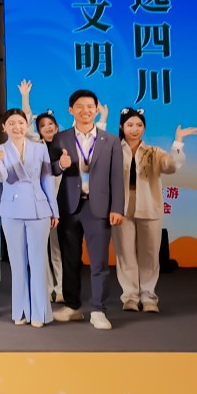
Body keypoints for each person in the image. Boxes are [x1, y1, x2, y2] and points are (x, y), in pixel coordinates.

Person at [51, 88, 125, 330]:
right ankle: (72, 306)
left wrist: (117, 208)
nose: (86, 111)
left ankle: (98, 310)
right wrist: (60, 165)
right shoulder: (60, 138)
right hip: (69, 207)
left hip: (99, 208)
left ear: (96, 109)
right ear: (71, 110)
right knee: (70, 260)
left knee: (99, 262)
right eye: (80, 107)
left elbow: (117, 177)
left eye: (90, 107)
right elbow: (50, 169)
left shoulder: (110, 140)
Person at [115, 109, 196, 314]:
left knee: (150, 254)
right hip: (120, 209)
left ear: (144, 128)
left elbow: (171, 166)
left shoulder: (153, 151)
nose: (135, 129)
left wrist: (178, 142)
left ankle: (148, 296)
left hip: (149, 207)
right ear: (122, 127)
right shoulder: (114, 150)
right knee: (125, 254)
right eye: (130, 125)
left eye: (139, 125)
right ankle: (130, 296)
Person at [0, 109, 58, 328]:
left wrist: (54, 210)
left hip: (39, 209)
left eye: (20, 122)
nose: (17, 127)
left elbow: (47, 179)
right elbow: (1, 178)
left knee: (38, 262)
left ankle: (39, 312)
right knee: (17, 263)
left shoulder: (39, 148)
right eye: (11, 123)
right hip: (11, 210)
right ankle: (20, 311)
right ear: (4, 127)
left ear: (27, 124)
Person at [19, 79, 65, 301]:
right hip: (39, 205)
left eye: (51, 124)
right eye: (43, 125)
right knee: (40, 249)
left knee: (58, 248)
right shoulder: (36, 146)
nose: (47, 128)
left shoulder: (66, 146)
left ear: (57, 127)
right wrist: (25, 97)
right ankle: (46, 289)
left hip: (62, 204)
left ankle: (62, 288)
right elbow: (26, 122)